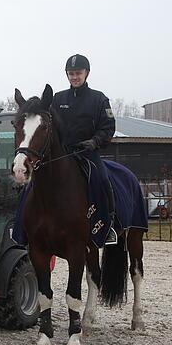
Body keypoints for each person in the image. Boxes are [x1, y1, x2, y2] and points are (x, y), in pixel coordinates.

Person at [52, 54, 118, 245]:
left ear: (86, 73)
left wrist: (94, 142)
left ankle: (110, 225)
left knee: (103, 180)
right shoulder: (57, 99)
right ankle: (24, 226)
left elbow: (108, 127)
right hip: (62, 154)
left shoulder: (99, 99)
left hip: (88, 153)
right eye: (71, 73)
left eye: (78, 73)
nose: (74, 77)